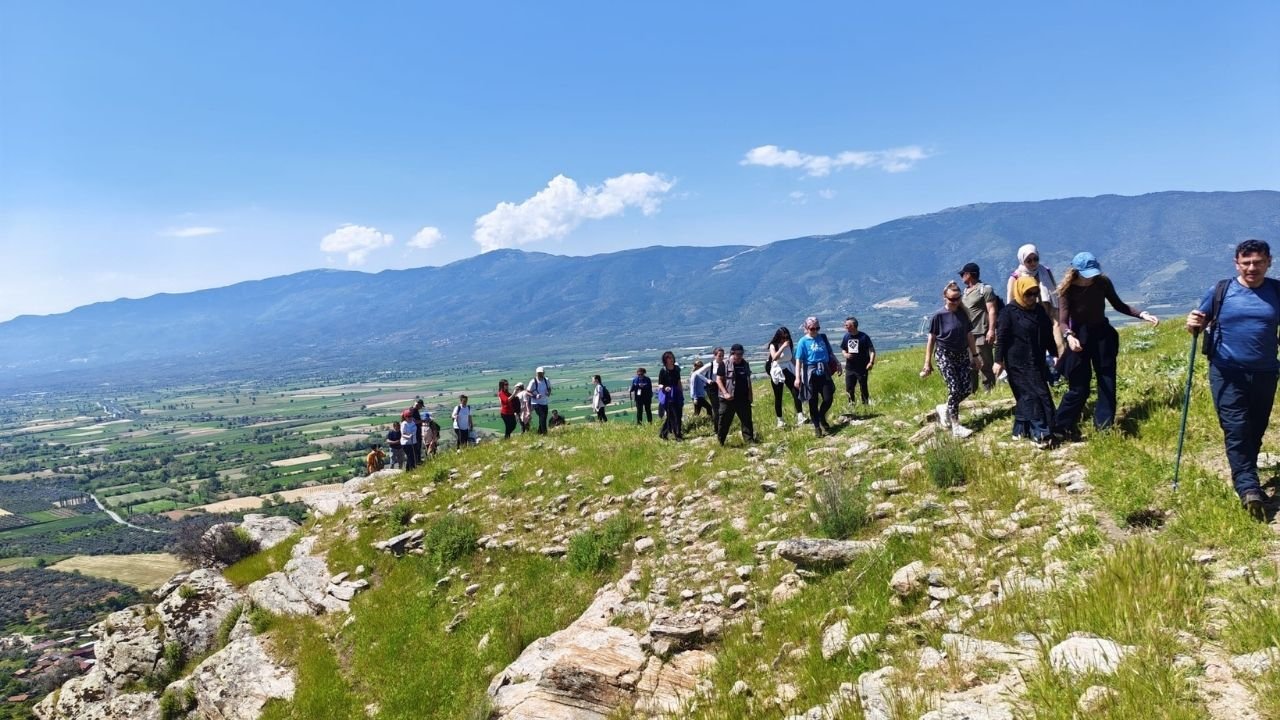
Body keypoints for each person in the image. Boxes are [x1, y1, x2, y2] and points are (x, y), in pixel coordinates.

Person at [1186, 239, 1280, 520]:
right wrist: (1193, 324)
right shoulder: (1221, 291)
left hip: (1265, 371)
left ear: (1269, 262)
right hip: (1226, 371)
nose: (1253, 267)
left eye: (1258, 262)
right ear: (1237, 263)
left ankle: (1246, 476)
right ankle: (1248, 488)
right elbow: (1198, 322)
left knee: (1256, 428)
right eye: (1247, 262)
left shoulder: (1277, 291)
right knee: (1236, 427)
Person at [1055, 252, 1159, 438]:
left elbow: (1119, 305)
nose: (1091, 278)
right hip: (1079, 337)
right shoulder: (1067, 290)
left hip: (1102, 334)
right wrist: (1069, 336)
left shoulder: (1102, 283)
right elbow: (1062, 321)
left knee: (1107, 381)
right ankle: (1060, 427)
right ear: (1076, 272)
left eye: (1093, 273)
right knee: (1079, 387)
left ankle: (1104, 428)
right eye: (1087, 274)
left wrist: (1142, 314)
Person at [993, 276, 1059, 448]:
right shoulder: (1008, 312)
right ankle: (1041, 433)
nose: (1032, 298)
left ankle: (1020, 431)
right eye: (1028, 294)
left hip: (1036, 361)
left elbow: (1047, 335)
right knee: (1032, 396)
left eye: (1035, 293)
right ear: (1020, 292)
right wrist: (998, 361)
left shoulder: (1039, 311)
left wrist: (1054, 354)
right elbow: (1001, 338)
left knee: (1035, 395)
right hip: (1016, 363)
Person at [921, 282, 983, 437]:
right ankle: (956, 425)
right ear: (945, 298)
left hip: (962, 354)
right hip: (944, 355)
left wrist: (975, 356)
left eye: (958, 298)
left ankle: (945, 408)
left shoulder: (963, 314)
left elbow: (969, 336)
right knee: (954, 388)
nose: (955, 302)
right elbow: (931, 340)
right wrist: (927, 363)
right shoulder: (938, 316)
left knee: (967, 388)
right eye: (952, 299)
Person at [793, 317, 840, 437]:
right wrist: (797, 378)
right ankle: (817, 427)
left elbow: (830, 352)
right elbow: (799, 360)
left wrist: (838, 363)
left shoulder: (822, 338)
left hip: (824, 370)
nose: (815, 331)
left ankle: (821, 415)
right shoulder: (803, 342)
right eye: (812, 328)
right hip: (810, 373)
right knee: (812, 401)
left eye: (817, 328)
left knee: (828, 397)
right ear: (806, 328)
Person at [959, 262, 999, 392]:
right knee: (970, 365)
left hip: (981, 332)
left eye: (962, 274)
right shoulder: (965, 292)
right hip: (968, 334)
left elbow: (992, 310)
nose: (961, 277)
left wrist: (991, 330)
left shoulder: (985, 290)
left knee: (985, 364)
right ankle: (972, 392)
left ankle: (989, 391)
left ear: (969, 274)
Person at [716, 343, 757, 445]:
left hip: (742, 397)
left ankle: (749, 441)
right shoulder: (724, 364)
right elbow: (719, 380)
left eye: (741, 354)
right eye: (737, 354)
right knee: (724, 421)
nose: (739, 356)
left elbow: (748, 380)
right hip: (727, 399)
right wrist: (725, 393)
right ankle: (721, 442)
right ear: (732, 353)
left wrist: (750, 394)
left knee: (746, 420)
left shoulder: (745, 364)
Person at [767, 327, 804, 428]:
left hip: (788, 368)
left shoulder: (789, 344)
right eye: (783, 337)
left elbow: (791, 357)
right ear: (779, 337)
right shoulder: (773, 345)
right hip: (777, 370)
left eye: (786, 337)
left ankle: (800, 416)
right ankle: (780, 420)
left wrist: (798, 369)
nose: (785, 339)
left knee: (796, 391)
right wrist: (782, 347)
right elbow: (774, 357)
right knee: (778, 396)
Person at [840, 317, 876, 408]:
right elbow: (843, 350)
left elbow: (872, 350)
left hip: (862, 367)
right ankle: (851, 406)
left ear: (853, 326)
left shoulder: (864, 337)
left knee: (863, 387)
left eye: (847, 325)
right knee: (849, 388)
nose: (845, 327)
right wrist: (845, 355)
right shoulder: (846, 336)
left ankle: (865, 406)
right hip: (850, 368)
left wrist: (871, 362)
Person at [657, 351, 685, 441]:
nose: (671, 359)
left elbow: (678, 381)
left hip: (676, 393)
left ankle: (663, 433)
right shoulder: (663, 370)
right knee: (673, 415)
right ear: (665, 360)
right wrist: (665, 388)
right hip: (668, 395)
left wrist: (681, 392)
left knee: (678, 414)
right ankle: (677, 435)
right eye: (669, 358)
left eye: (672, 357)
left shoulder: (677, 369)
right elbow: (660, 384)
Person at [528, 367, 553, 434]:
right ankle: (545, 433)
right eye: (539, 373)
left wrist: (548, 393)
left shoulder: (546, 380)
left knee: (543, 417)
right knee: (542, 416)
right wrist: (535, 396)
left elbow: (549, 388)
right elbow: (527, 392)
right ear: (536, 373)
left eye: (541, 373)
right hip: (536, 403)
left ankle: (539, 432)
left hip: (544, 402)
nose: (540, 374)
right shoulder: (533, 381)